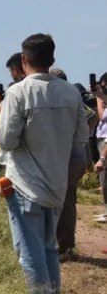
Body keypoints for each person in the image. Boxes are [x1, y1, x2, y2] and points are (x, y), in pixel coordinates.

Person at [0, 33, 89, 294]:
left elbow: (7, 140)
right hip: (56, 186)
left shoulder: (19, 93)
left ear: (24, 60)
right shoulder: (71, 93)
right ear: (53, 59)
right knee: (48, 248)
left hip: (25, 186)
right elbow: (81, 137)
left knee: (29, 254)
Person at [49, 68, 99, 258]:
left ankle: (58, 245)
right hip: (77, 154)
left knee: (57, 199)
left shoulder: (59, 99)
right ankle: (65, 244)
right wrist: (81, 136)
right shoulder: (73, 97)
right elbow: (92, 117)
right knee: (68, 198)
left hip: (65, 156)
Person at [93, 72, 107, 223]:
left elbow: (101, 116)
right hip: (101, 138)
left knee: (105, 177)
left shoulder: (102, 100)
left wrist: (98, 98)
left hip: (105, 141)